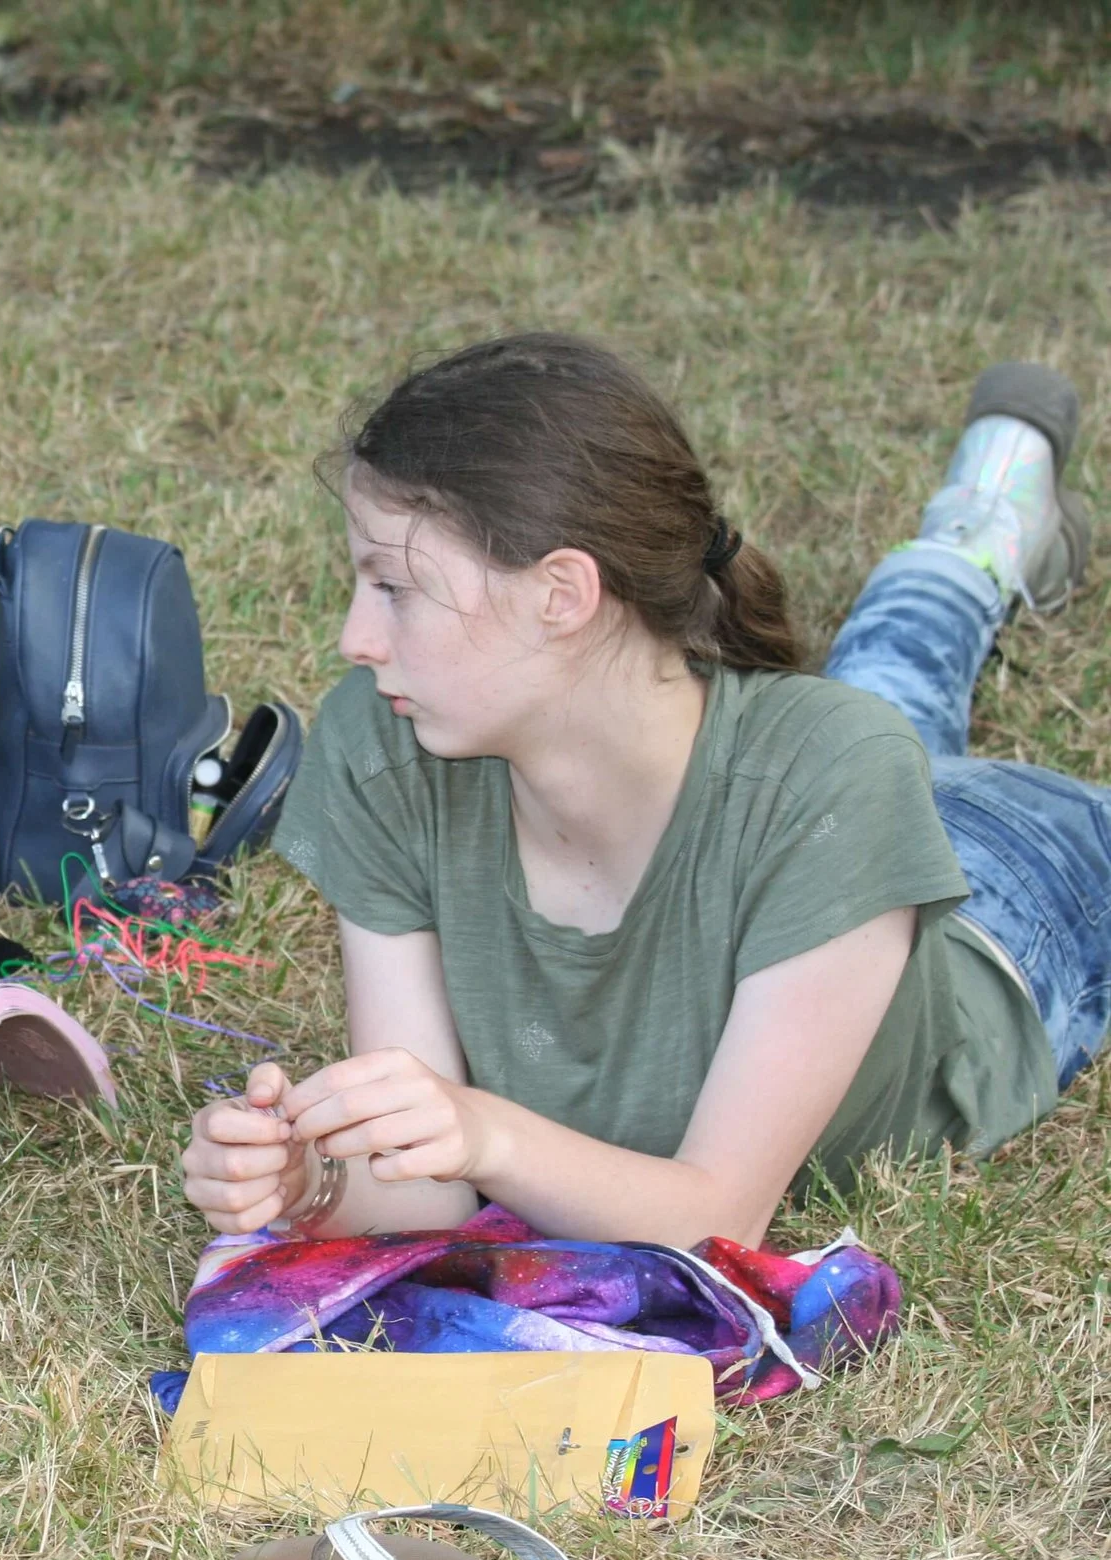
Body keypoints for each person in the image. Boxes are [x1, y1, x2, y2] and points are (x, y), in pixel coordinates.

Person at [182, 335, 1103, 1249]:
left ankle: (983, 522)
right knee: (885, 691)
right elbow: (424, 1192)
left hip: (1019, 894)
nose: (354, 638)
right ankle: (977, 526)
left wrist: (484, 1130)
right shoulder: (385, 742)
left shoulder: (838, 780)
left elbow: (717, 1217)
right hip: (819, 811)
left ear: (561, 594)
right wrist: (306, 1181)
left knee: (884, 699)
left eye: (395, 586)